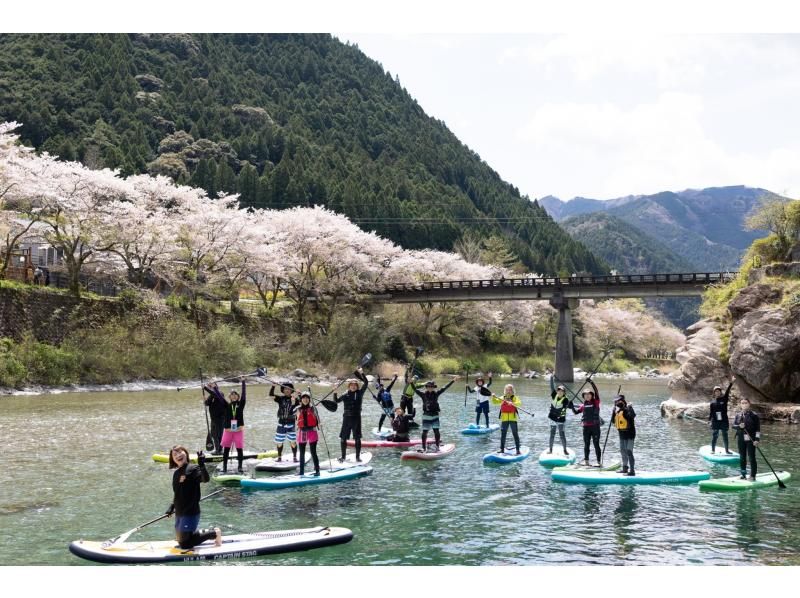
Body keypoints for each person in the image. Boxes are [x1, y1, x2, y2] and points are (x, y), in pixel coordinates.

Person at [165, 446, 221, 549]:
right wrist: (171, 506)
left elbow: (205, 479)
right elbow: (177, 493)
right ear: (172, 459)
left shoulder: (193, 468)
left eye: (180, 452)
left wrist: (202, 465)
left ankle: (214, 533)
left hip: (190, 511)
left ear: (185, 453)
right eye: (174, 454)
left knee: (185, 544)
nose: (178, 455)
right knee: (182, 540)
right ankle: (194, 535)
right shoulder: (176, 474)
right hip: (179, 512)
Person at [334, 367, 369, 462]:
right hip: (346, 418)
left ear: (357, 387)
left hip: (356, 418)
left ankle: (357, 457)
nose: (353, 386)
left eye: (355, 385)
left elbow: (366, 383)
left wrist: (362, 373)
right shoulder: (345, 394)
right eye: (351, 385)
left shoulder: (360, 393)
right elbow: (336, 401)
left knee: (357, 438)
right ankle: (343, 457)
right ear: (349, 386)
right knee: (343, 438)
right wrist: (335, 391)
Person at [414, 377, 457, 452]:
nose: (430, 388)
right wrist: (410, 382)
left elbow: (445, 388)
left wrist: (452, 381)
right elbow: (414, 389)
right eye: (428, 386)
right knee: (424, 432)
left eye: (431, 387)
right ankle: (423, 448)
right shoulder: (423, 394)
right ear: (426, 387)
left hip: (435, 415)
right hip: (426, 415)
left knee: (436, 431)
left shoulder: (436, 393)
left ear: (433, 387)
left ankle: (437, 446)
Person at [571, 379, 602, 466]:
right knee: (586, 445)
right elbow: (575, 412)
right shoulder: (583, 406)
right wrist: (571, 407)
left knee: (596, 444)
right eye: (585, 395)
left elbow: (596, 391)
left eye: (589, 394)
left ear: (591, 396)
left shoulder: (596, 402)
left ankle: (599, 462)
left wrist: (592, 382)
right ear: (583, 396)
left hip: (595, 427)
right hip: (586, 428)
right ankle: (587, 461)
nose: (587, 396)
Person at [221, 379, 247, 473]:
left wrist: (243, 382)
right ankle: (224, 467)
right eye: (232, 394)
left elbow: (244, 394)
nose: (234, 395)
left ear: (238, 396)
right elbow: (219, 396)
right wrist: (214, 388)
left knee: (239, 449)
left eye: (236, 394)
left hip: (238, 431)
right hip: (228, 431)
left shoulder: (241, 404)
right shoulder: (226, 405)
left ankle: (240, 467)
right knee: (226, 450)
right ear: (229, 397)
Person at [270, 381, 298, 462]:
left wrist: (298, 396)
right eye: (285, 389)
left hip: (291, 424)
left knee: (293, 442)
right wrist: (273, 386)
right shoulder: (280, 399)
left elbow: (300, 406)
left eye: (289, 389)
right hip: (281, 423)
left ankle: (295, 457)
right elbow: (271, 395)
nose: (287, 390)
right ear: (283, 390)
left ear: (291, 390)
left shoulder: (296, 399)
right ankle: (279, 457)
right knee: (279, 442)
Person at [491, 384, 523, 455]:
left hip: (513, 419)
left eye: (510, 390)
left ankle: (518, 450)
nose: (508, 391)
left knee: (515, 434)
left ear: (512, 390)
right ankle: (502, 449)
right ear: (505, 390)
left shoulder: (515, 398)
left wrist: (513, 403)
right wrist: (493, 397)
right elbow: (495, 402)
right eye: (507, 390)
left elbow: (519, 403)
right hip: (504, 419)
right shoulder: (502, 397)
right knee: (503, 434)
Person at [733, 398, 761, 480]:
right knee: (742, 457)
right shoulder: (738, 415)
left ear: (749, 404)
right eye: (742, 403)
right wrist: (739, 426)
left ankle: (753, 476)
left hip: (751, 439)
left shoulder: (754, 415)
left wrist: (757, 440)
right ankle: (743, 475)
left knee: (751, 457)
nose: (744, 404)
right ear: (740, 405)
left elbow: (758, 429)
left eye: (745, 403)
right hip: (741, 439)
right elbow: (733, 426)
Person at [296, 391, 321, 477]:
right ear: (301, 399)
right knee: (302, 453)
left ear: (309, 399)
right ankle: (301, 472)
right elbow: (293, 414)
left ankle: (317, 470)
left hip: (312, 431)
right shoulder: (298, 409)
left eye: (307, 398)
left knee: (313, 452)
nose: (305, 400)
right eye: (303, 398)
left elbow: (318, 420)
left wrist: (320, 424)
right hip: (302, 432)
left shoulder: (313, 408)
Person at [709, 378, 734, 454]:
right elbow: (711, 412)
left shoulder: (724, 399)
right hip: (715, 421)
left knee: (725, 435)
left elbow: (728, 391)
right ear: (714, 393)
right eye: (716, 391)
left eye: (718, 391)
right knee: (715, 435)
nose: (717, 392)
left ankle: (727, 450)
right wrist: (709, 420)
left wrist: (731, 383)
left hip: (724, 421)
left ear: (720, 392)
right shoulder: (712, 402)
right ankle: (713, 450)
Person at [613, 395, 636, 476]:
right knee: (623, 451)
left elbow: (633, 416)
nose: (617, 403)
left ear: (623, 401)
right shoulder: (618, 412)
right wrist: (613, 413)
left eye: (618, 401)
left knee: (629, 451)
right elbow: (613, 422)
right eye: (616, 402)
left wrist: (630, 407)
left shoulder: (627, 410)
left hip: (630, 434)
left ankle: (632, 471)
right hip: (622, 434)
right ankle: (625, 468)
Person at [547, 377, 572, 454]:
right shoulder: (554, 395)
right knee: (552, 434)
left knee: (562, 434)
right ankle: (550, 450)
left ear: (564, 392)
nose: (560, 392)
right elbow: (551, 386)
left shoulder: (565, 399)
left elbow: (566, 408)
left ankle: (565, 450)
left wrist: (569, 405)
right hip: (552, 418)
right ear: (557, 391)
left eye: (562, 391)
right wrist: (551, 377)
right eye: (559, 390)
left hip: (560, 419)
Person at [203, 382, 226, 455]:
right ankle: (218, 449)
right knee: (213, 434)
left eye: (212, 385)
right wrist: (205, 400)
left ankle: (220, 450)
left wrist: (205, 388)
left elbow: (215, 394)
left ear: (216, 386)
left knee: (219, 435)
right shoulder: (211, 395)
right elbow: (207, 403)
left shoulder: (220, 393)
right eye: (209, 386)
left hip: (220, 419)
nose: (210, 387)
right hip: (213, 419)